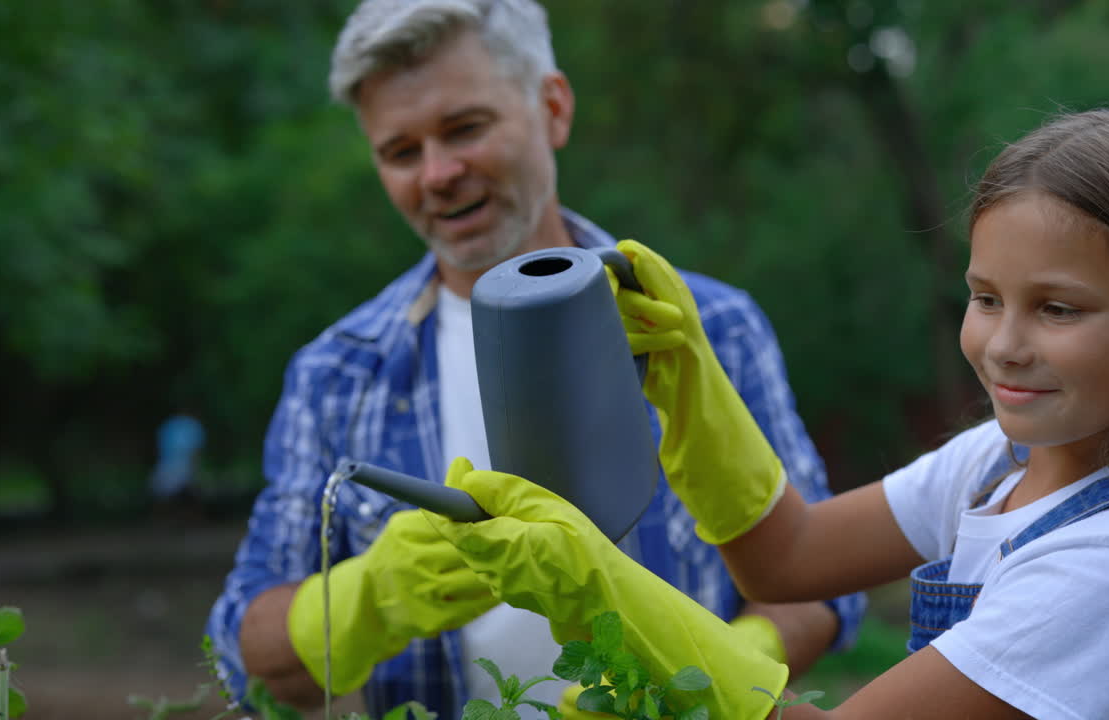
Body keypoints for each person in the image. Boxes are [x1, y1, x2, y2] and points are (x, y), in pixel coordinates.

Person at [419, 108, 1109, 719]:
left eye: (1058, 309)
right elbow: (787, 560)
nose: (1005, 345)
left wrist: (604, 601)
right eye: (984, 297)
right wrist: (690, 385)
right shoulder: (996, 464)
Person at [203, 0, 865, 717]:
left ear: (552, 108)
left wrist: (704, 679)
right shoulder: (336, 376)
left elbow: (822, 584)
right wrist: (379, 594)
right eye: (401, 151)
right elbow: (247, 661)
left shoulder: (695, 328)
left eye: (466, 128)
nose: (437, 173)